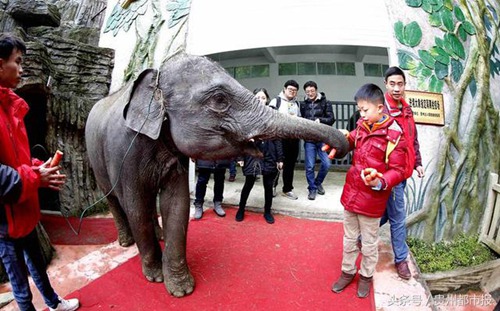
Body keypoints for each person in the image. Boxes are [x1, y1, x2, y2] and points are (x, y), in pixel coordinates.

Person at [0, 33, 80, 311]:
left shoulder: (10, 105)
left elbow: (15, 158)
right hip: (5, 222)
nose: (22, 69)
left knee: (37, 265)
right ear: (0, 65)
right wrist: (36, 177)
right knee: (19, 282)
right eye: (17, 62)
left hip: (26, 211)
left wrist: (38, 166)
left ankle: (53, 303)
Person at [330, 83, 408, 298]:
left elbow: (398, 170)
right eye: (359, 110)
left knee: (369, 243)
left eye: (365, 110)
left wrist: (380, 181)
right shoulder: (362, 127)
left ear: (380, 108)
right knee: (349, 238)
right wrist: (339, 139)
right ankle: (347, 272)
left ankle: (365, 276)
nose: (361, 114)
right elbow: (350, 141)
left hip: (372, 200)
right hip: (351, 195)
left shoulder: (394, 135)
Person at [381, 66, 425, 280]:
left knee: (387, 212)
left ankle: (361, 235)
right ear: (385, 85)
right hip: (390, 174)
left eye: (400, 84)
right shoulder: (381, 111)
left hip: (404, 171)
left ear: (404, 85)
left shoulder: (406, 109)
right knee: (398, 217)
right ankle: (401, 260)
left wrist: (417, 162)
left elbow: (412, 139)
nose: (397, 88)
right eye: (392, 84)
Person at [235, 88, 283, 224]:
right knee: (248, 183)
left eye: (263, 97)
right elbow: (239, 139)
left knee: (268, 185)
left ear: (267, 99)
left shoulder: (273, 115)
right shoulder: (246, 116)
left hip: (269, 154)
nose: (260, 100)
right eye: (257, 97)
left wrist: (280, 158)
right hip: (252, 154)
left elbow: (278, 139)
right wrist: (239, 158)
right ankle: (241, 209)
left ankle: (267, 211)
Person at [299, 81, 335, 200]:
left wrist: (320, 120)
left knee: (327, 163)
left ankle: (318, 182)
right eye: (307, 91)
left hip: (322, 138)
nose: (310, 93)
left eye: (312, 91)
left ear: (316, 90)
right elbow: (301, 120)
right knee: (309, 166)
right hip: (309, 139)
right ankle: (312, 188)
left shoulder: (325, 102)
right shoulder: (303, 104)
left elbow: (331, 119)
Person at [268, 80, 301, 200]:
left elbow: (300, 120)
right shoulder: (276, 101)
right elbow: (270, 119)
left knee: (290, 166)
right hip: (279, 139)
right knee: (277, 164)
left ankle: (287, 189)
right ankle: (272, 186)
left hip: (293, 139)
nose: (292, 92)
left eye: (294, 90)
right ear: (284, 89)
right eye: (290, 89)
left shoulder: (297, 104)